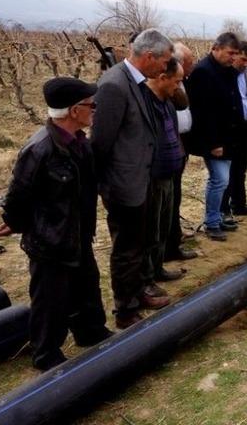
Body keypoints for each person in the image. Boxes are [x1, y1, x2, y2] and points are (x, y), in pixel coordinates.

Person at [0, 77, 112, 370]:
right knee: (50, 300)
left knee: (87, 287)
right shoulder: (39, 149)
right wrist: (15, 223)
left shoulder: (79, 143)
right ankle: (46, 354)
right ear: (75, 111)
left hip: (78, 234)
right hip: (51, 242)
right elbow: (18, 196)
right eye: (91, 105)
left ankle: (91, 334)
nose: (95, 110)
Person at [92, 28, 173, 329]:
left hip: (140, 179)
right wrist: (107, 185)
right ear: (149, 56)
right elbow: (100, 142)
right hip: (123, 184)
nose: (165, 68)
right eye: (164, 61)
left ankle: (138, 291)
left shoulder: (137, 82)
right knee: (126, 249)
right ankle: (125, 310)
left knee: (137, 243)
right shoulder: (114, 85)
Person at [186, 32, 244, 241]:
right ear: (216, 48)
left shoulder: (228, 71)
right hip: (215, 139)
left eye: (236, 54)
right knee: (219, 180)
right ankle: (211, 222)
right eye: (230, 53)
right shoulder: (203, 72)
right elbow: (202, 112)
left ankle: (218, 217)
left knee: (223, 180)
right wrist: (213, 142)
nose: (233, 57)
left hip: (229, 138)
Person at [141, 58, 186, 289]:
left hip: (169, 174)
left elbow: (182, 104)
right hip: (152, 178)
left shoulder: (167, 101)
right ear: (161, 78)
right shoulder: (144, 102)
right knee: (150, 230)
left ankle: (158, 269)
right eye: (177, 81)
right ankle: (146, 279)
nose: (179, 86)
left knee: (163, 227)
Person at [221, 41, 247, 223]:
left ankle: (239, 204)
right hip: (230, 130)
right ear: (235, 55)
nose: (246, 64)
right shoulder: (223, 74)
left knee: (241, 168)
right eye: (243, 59)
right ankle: (224, 208)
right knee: (226, 170)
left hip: (246, 128)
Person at [164, 42, 198, 263]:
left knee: (175, 196)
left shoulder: (181, 82)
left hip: (180, 143)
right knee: (169, 199)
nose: (190, 67)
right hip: (169, 147)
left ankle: (173, 242)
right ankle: (167, 247)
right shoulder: (164, 86)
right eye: (188, 63)